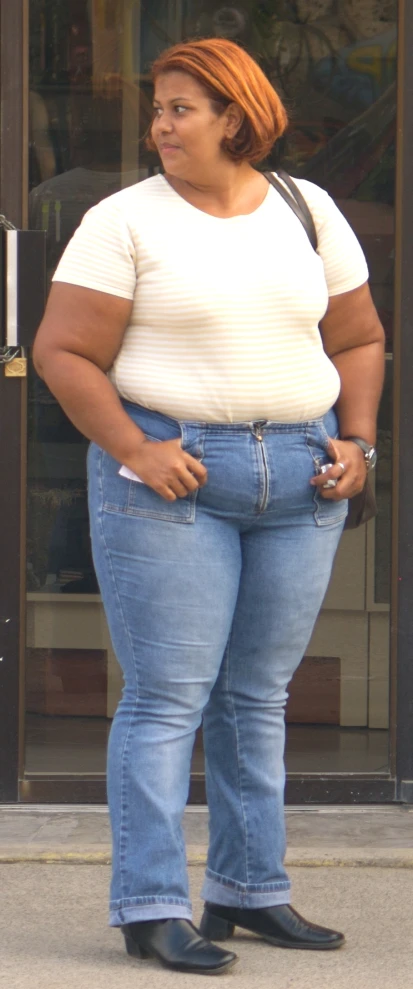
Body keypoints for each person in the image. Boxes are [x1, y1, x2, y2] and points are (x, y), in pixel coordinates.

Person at [33, 37, 385, 977]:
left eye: (179, 108)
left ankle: (248, 889)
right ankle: (150, 904)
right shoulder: (124, 221)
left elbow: (357, 337)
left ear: (235, 116)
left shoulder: (307, 211)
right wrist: (135, 449)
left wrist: (358, 443)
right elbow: (63, 350)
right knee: (165, 700)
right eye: (157, 108)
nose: (159, 125)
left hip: (301, 475)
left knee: (255, 698)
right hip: (173, 474)